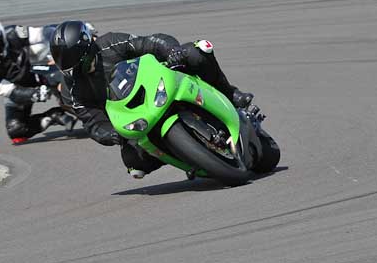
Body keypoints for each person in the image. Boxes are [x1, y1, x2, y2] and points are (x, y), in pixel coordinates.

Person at [49, 20, 256, 179]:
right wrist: (113, 135)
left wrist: (171, 51)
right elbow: (93, 123)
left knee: (197, 51)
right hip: (135, 116)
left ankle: (230, 94)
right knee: (135, 166)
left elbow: (150, 42)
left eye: (78, 64)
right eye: (68, 68)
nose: (74, 72)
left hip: (157, 83)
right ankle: (191, 158)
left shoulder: (110, 43)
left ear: (88, 49)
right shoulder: (72, 88)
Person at [0, 17, 81, 145]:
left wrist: (79, 31)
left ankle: (83, 99)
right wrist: (33, 94)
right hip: (18, 88)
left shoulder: (14, 33)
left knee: (57, 61)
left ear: (2, 38)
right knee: (16, 130)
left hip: (39, 69)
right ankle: (53, 116)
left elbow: (46, 32)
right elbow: (10, 91)